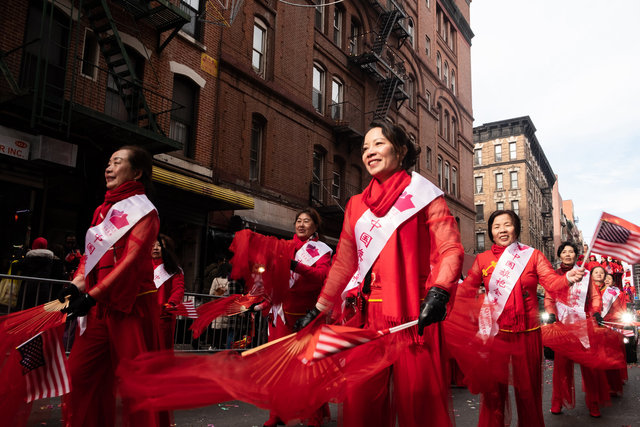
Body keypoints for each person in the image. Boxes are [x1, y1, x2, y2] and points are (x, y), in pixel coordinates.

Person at [296, 121, 464, 427]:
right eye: (365, 147)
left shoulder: (427, 196)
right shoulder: (356, 205)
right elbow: (344, 263)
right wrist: (317, 310)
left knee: (419, 409)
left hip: (415, 318)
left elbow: (451, 248)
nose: (369, 152)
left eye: (378, 144)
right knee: (362, 407)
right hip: (367, 319)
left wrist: (440, 290)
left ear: (400, 151)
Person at [58, 145, 162, 427]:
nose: (109, 167)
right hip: (98, 307)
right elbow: (90, 259)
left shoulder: (145, 213)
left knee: (135, 385)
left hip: (130, 307)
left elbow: (130, 260)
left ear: (136, 172)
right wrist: (77, 285)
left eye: (117, 162)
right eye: (108, 162)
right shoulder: (102, 210)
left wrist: (92, 295)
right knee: (80, 373)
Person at [455, 210, 584, 427]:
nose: (502, 230)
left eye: (508, 224)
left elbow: (552, 282)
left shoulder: (532, 256)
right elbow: (466, 289)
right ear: (490, 232)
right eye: (497, 226)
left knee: (528, 393)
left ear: (516, 228)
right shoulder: (482, 259)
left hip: (528, 334)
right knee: (494, 394)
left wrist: (568, 279)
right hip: (496, 336)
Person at [255, 208, 333, 427]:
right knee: (279, 367)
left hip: (306, 316)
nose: (301, 224)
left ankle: (313, 416)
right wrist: (264, 300)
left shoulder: (322, 251)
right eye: (298, 221)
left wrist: (296, 266)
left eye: (306, 221)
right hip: (281, 315)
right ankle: (277, 413)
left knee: (308, 369)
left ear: (315, 226)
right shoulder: (284, 247)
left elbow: (320, 278)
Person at [544, 242, 608, 417]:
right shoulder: (553, 275)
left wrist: (596, 312)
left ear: (576, 255)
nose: (567, 254)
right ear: (559, 255)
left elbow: (595, 297)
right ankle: (557, 403)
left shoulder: (586, 275)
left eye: (571, 251)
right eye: (564, 251)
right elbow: (549, 298)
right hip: (563, 325)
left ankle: (593, 404)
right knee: (560, 368)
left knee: (589, 368)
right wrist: (550, 313)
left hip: (583, 325)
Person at [152, 233, 185, 350]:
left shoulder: (173, 269)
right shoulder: (142, 265)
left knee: (162, 348)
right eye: (152, 245)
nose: (155, 248)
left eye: (159, 245)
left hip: (164, 314)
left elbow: (178, 288)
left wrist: (172, 304)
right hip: (145, 314)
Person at [598, 271, 628, 397]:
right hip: (598, 326)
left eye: (608, 278)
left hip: (612, 325)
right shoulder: (593, 291)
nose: (606, 280)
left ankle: (614, 381)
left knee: (613, 353)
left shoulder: (614, 293)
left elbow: (620, 309)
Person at [16, 237, 64, 308]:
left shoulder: (28, 259)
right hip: (44, 289)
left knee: (25, 310)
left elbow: (16, 266)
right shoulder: (52, 261)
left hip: (28, 288)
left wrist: (21, 253)